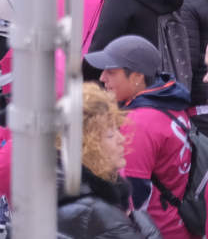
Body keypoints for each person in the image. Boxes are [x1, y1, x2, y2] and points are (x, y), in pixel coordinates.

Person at [84, 34, 195, 238]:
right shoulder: (170, 103)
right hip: (180, 224)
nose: (102, 78)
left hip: (156, 230)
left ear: (137, 77)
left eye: (111, 72)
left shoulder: (138, 123)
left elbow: (131, 197)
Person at [57, 82, 160, 239]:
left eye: (116, 129)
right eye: (110, 134)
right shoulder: (101, 213)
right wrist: (140, 219)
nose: (121, 139)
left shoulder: (58, 188)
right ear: (86, 146)